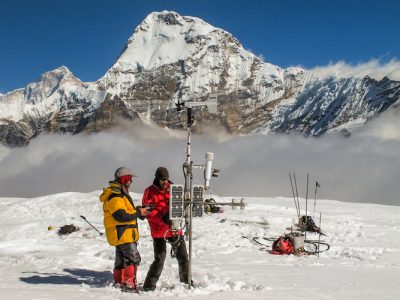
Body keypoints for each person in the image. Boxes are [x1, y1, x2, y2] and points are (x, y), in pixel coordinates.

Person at [99, 167, 150, 292]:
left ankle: (119, 283)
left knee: (121, 260)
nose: (131, 181)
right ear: (124, 179)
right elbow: (121, 216)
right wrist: (138, 212)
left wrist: (139, 210)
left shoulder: (120, 194)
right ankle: (129, 285)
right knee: (133, 259)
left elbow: (126, 212)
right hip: (124, 234)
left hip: (123, 234)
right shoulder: (116, 196)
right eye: (130, 178)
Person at [142, 167, 190, 291]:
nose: (165, 182)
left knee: (183, 256)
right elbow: (147, 212)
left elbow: (180, 205)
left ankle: (186, 282)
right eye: (162, 179)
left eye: (166, 179)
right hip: (158, 230)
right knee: (160, 258)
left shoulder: (174, 190)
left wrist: (184, 206)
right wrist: (161, 217)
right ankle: (149, 285)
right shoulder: (149, 192)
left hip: (174, 228)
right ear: (157, 178)